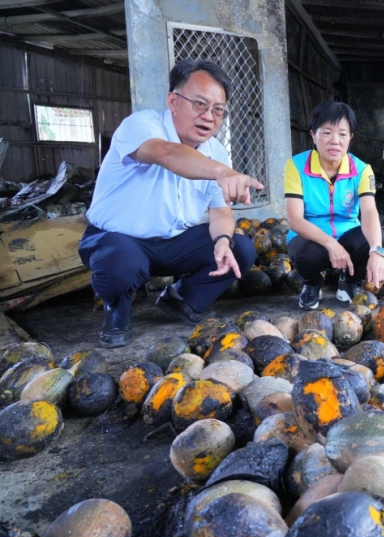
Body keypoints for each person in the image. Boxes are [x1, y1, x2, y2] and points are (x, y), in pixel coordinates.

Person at [78, 59, 264, 348]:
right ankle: (117, 309)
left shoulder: (216, 151)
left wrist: (223, 239)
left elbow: (220, 213)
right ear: (173, 101)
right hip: (117, 240)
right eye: (200, 104)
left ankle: (181, 300)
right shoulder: (142, 125)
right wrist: (221, 171)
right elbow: (166, 154)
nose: (209, 116)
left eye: (218, 110)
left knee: (240, 248)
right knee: (122, 261)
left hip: (173, 243)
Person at [284, 101, 384, 310]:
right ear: (313, 135)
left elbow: (369, 212)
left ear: (350, 138)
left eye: (342, 134)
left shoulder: (362, 169)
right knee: (304, 253)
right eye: (327, 133)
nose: (334, 141)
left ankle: (350, 281)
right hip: (312, 236)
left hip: (347, 234)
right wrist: (331, 244)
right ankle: (312, 283)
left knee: (375, 239)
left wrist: (377, 252)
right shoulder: (295, 165)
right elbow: (295, 219)